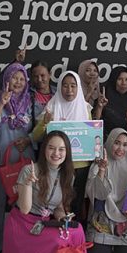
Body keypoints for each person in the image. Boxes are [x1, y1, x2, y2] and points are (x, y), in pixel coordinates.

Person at [0, 130, 88, 253]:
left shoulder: (68, 175)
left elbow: (58, 207)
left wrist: (63, 218)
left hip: (44, 222)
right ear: (44, 149)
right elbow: (24, 209)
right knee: (57, 239)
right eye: (51, 148)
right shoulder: (29, 170)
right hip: (23, 224)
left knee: (77, 230)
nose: (56, 153)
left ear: (67, 152)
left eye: (61, 149)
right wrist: (27, 183)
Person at [0, 62, 33, 253]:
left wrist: (28, 140)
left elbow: (37, 129)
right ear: (6, 79)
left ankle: (19, 246)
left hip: (24, 164)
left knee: (22, 208)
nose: (18, 82)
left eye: (22, 79)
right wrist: (1, 105)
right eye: (14, 78)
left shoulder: (30, 101)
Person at [34, 70, 94, 224]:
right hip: (56, 165)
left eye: (73, 86)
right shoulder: (51, 107)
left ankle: (75, 235)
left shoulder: (85, 108)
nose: (69, 90)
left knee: (76, 205)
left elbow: (91, 137)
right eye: (65, 86)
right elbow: (36, 137)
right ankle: (55, 235)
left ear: (78, 87)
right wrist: (44, 122)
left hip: (80, 165)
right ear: (59, 87)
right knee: (55, 204)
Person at [87, 128, 127, 253]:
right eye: (117, 143)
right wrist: (102, 171)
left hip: (126, 222)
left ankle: (116, 250)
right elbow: (96, 195)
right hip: (103, 221)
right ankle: (108, 250)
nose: (120, 149)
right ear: (110, 142)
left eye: (125, 145)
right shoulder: (98, 165)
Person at [100, 65, 127, 137]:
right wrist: (99, 107)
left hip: (126, 142)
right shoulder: (103, 99)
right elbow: (94, 124)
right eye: (120, 79)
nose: (124, 83)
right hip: (105, 140)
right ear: (114, 80)